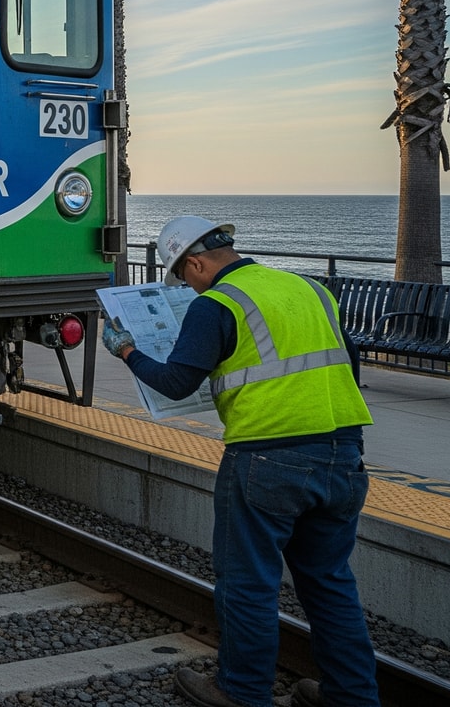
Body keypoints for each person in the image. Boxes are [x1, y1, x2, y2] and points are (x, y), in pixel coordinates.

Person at [103, 216, 376, 707]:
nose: (186, 286)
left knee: (249, 584)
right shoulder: (309, 288)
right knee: (330, 584)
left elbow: (176, 382)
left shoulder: (217, 305)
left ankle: (243, 692)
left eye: (184, 277)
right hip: (345, 454)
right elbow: (349, 366)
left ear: (196, 263)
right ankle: (351, 697)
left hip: (267, 457)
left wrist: (127, 351)